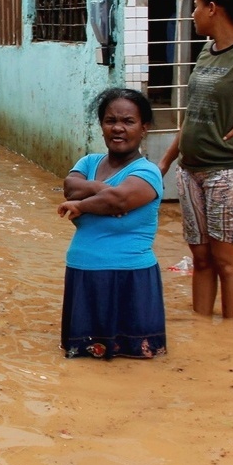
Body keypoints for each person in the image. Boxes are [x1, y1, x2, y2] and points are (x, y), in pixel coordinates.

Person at [158, 0, 233, 319]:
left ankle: (232, 338)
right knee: (201, 259)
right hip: (192, 171)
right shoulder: (206, 51)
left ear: (212, 9)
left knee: (227, 263)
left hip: (229, 172)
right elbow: (194, 112)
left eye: (196, 6)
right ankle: (203, 336)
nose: (193, 14)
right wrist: (167, 160)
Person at [59, 88, 166, 359]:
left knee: (136, 368)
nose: (118, 128)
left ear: (144, 128)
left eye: (128, 121)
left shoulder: (147, 171)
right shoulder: (90, 161)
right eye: (110, 121)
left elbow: (118, 201)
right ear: (102, 126)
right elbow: (70, 187)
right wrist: (100, 188)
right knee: (82, 364)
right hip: (83, 274)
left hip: (129, 278)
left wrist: (83, 205)